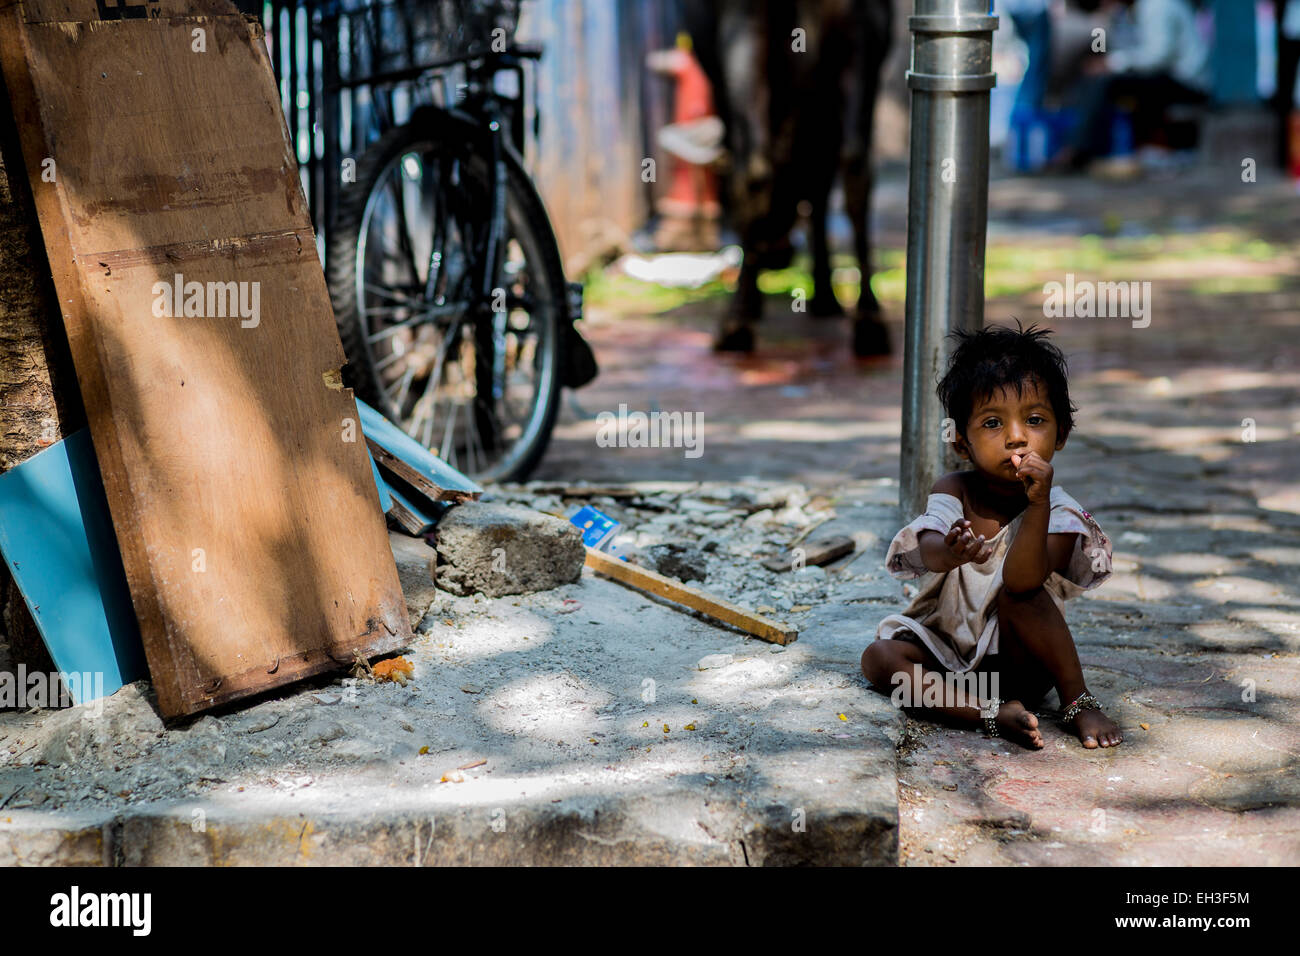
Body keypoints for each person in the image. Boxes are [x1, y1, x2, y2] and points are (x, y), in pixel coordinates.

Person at [860, 323, 1122, 750]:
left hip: (1022, 667)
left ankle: (1077, 701)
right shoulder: (953, 490)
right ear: (962, 442)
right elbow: (927, 544)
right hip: (951, 658)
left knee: (1020, 596)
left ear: (1062, 433)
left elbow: (1021, 582)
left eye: (1035, 420)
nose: (1016, 437)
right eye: (993, 423)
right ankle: (988, 715)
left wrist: (1035, 506)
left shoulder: (1061, 513)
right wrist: (947, 551)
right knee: (880, 658)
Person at [1051, 0, 1211, 171]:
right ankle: (1085, 148)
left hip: (1187, 84)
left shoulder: (1157, 6)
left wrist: (1112, 63)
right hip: (1166, 78)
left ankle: (1076, 150)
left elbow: (1158, 57)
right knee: (1097, 81)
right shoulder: (1130, 12)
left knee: (1105, 82)